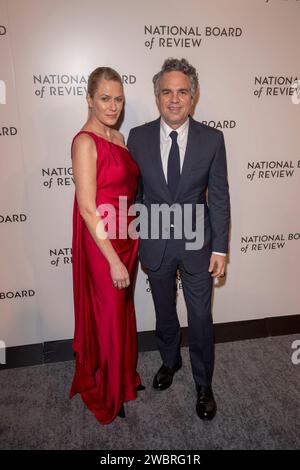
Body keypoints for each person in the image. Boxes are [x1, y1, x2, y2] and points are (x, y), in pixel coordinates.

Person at [127, 58, 230, 421]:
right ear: (157, 96)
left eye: (182, 91)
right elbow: (135, 194)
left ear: (193, 96)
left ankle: (204, 384)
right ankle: (170, 362)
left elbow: (217, 195)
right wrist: (138, 235)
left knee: (201, 315)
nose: (174, 99)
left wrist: (219, 248)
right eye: (167, 92)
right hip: (155, 240)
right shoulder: (136, 137)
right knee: (164, 310)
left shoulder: (212, 139)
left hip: (197, 243)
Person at [69, 67, 143, 425]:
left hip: (126, 237)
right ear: (88, 98)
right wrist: (113, 260)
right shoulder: (85, 142)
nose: (113, 106)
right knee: (110, 318)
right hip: (103, 245)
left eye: (118, 99)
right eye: (104, 98)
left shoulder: (119, 138)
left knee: (123, 313)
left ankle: (125, 379)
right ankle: (109, 393)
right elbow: (86, 207)